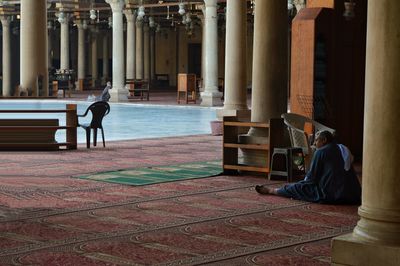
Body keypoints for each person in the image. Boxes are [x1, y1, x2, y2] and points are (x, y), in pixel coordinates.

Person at [256, 131, 361, 204]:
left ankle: (272, 190)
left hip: (332, 195)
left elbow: (311, 178)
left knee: (298, 188)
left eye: (316, 141)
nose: (314, 143)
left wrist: (299, 184)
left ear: (324, 140)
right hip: (352, 195)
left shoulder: (321, 151)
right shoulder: (344, 148)